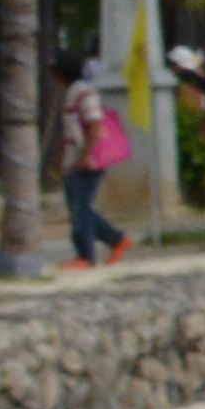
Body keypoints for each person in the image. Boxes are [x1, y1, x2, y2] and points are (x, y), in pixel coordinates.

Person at [63, 67, 136, 267]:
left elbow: (95, 125)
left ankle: (85, 256)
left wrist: (85, 157)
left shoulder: (84, 93)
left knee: (82, 208)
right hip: (73, 160)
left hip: (88, 161)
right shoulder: (72, 93)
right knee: (79, 209)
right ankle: (117, 240)